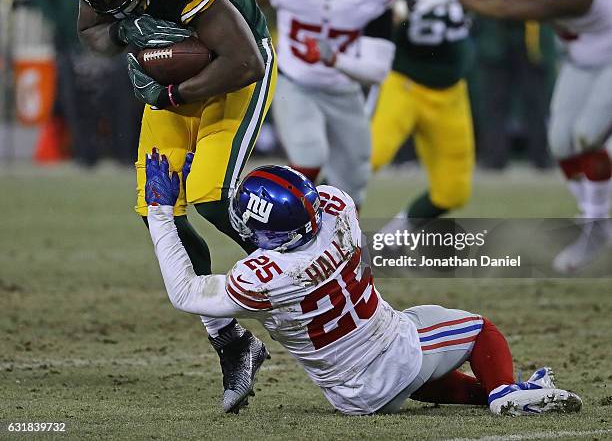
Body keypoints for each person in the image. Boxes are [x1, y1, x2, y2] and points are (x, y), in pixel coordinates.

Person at [144, 149, 583, 416]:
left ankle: (502, 392)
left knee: (421, 369)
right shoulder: (338, 207)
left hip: (346, 393)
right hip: (389, 352)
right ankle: (505, 392)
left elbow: (185, 291)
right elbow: (300, 212)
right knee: (479, 329)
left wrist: (163, 212)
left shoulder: (260, 278)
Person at [64, 0, 277, 412]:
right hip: (173, 86)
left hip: (231, 77)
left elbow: (243, 60)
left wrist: (174, 91)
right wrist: (131, 39)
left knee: (211, 196)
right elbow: (91, 33)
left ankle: (307, 274)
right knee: (157, 210)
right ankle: (232, 343)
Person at [429, 0, 612, 273]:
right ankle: (594, 217)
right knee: (560, 142)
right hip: (581, 58)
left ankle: (596, 222)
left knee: (586, 137)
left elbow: (520, 10)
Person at [251, 0, 398, 208]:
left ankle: (343, 244)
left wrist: (335, 60)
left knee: (353, 180)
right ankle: (288, 234)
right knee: (309, 156)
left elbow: (378, 69)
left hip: (344, 87)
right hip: (295, 79)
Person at [372, 0, 476, 233]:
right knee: (364, 160)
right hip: (403, 83)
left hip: (451, 91)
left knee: (453, 191)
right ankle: (310, 229)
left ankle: (393, 236)